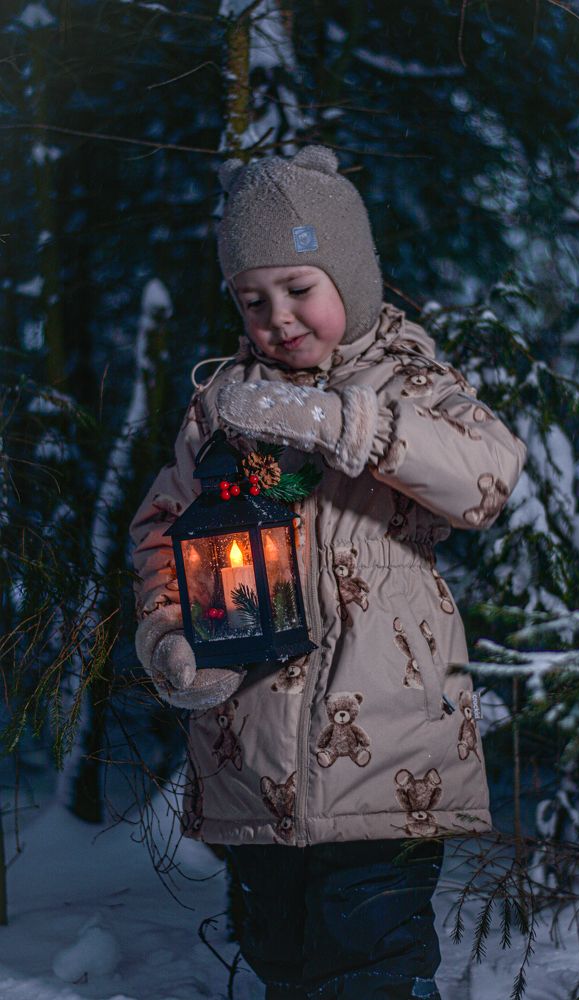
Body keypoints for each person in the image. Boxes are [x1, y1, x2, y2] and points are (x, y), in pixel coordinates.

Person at [129, 145, 527, 1000]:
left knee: (368, 964)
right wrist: (168, 630)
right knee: (283, 960)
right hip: (252, 766)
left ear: (351, 275)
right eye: (253, 298)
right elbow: (165, 525)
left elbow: (486, 477)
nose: (279, 318)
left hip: (390, 758)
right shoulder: (224, 405)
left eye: (300, 288)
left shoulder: (410, 381)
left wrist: (350, 425)